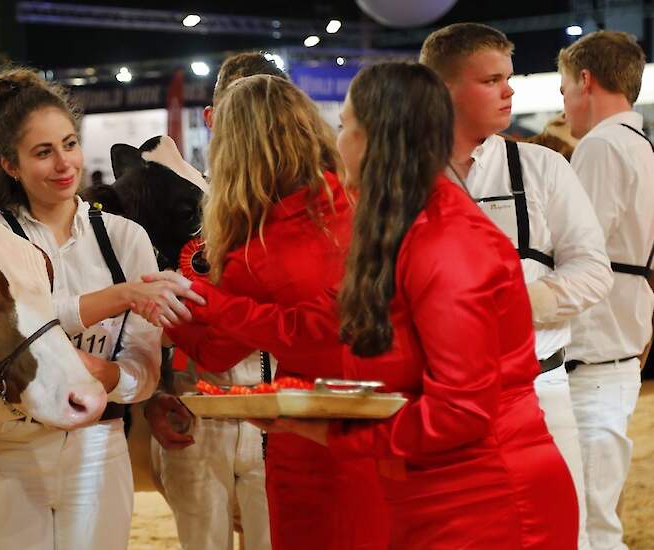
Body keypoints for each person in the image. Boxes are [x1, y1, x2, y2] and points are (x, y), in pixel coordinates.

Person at [145, 62, 579, 549]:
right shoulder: (402, 231)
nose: (335, 141)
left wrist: (330, 432)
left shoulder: (443, 240)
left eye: (346, 126)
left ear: (378, 140)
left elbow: (458, 413)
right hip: (430, 491)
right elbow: (323, 325)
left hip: (486, 500)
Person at [140, 74, 389, 550]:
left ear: (232, 148)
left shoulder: (252, 246)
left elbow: (215, 349)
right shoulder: (365, 205)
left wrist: (174, 298)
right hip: (381, 421)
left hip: (305, 436)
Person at [0, 67, 200, 550]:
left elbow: (145, 369)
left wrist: (107, 375)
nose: (63, 164)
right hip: (4, 449)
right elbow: (10, 328)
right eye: (43, 152)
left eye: (69, 144)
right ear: (10, 164)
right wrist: (118, 296)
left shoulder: (125, 237)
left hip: (98, 448)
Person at [420, 24, 612, 548]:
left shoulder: (542, 167)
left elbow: (593, 270)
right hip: (433, 406)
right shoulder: (402, 179)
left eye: (508, 78)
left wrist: (518, 304)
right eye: (491, 80)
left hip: (540, 395)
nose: (509, 91)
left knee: (555, 535)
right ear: (441, 89)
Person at [143, 51, 286, 550]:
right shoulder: (169, 199)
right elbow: (143, 309)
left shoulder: (311, 205)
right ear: (211, 117)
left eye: (267, 110)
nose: (253, 126)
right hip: (195, 413)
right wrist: (155, 393)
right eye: (237, 111)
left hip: (285, 416)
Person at [559, 30, 654, 550]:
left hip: (591, 357)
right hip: (615, 348)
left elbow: (578, 252)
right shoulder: (641, 144)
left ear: (586, 80)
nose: (565, 101)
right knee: (595, 517)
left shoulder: (600, 145)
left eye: (564, 87)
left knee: (589, 525)